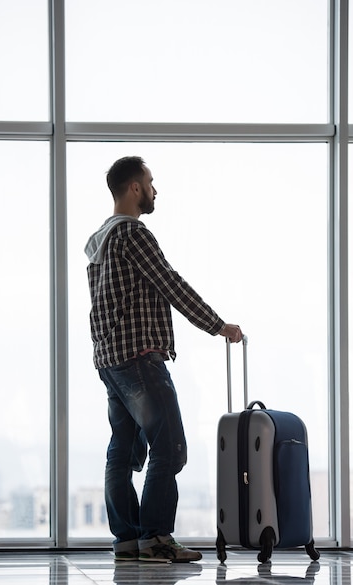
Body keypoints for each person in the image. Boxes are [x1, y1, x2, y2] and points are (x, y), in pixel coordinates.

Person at [85, 156, 243, 564]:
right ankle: (155, 538)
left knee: (122, 451)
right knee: (169, 448)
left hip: (110, 360)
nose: (156, 190)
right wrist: (218, 324)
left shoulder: (99, 240)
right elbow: (170, 283)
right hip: (139, 359)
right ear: (134, 188)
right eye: (151, 183)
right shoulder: (133, 234)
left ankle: (127, 540)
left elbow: (102, 307)